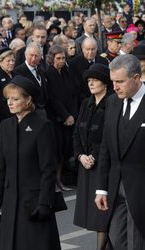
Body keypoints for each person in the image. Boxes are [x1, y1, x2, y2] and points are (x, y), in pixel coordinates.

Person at [0, 75, 61, 250]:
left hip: (34, 202)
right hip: (10, 201)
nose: (10, 103)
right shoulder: (6, 125)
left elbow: (48, 169)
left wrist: (45, 202)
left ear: (28, 100)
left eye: (15, 99)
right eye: (8, 99)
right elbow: (0, 167)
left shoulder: (42, 126)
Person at [95, 54, 145, 249]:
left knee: (137, 242)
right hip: (116, 189)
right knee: (116, 239)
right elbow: (106, 146)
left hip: (141, 188)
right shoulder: (113, 102)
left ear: (136, 78)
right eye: (113, 81)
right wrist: (101, 188)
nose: (114, 87)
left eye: (120, 81)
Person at [73, 63, 112, 250]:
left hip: (103, 164)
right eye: (89, 80)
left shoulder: (113, 102)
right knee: (93, 215)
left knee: (102, 215)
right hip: (86, 165)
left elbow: (108, 136)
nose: (91, 83)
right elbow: (76, 133)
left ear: (105, 82)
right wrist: (80, 156)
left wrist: (93, 157)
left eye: (95, 79)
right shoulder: (85, 104)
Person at [46, 45, 77, 189]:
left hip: (69, 117)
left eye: (63, 58)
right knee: (56, 151)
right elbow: (52, 99)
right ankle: (56, 181)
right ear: (51, 59)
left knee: (65, 150)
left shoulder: (67, 71)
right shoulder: (48, 73)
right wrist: (65, 115)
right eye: (58, 58)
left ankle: (60, 180)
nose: (61, 61)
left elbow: (72, 93)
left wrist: (72, 115)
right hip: (57, 119)